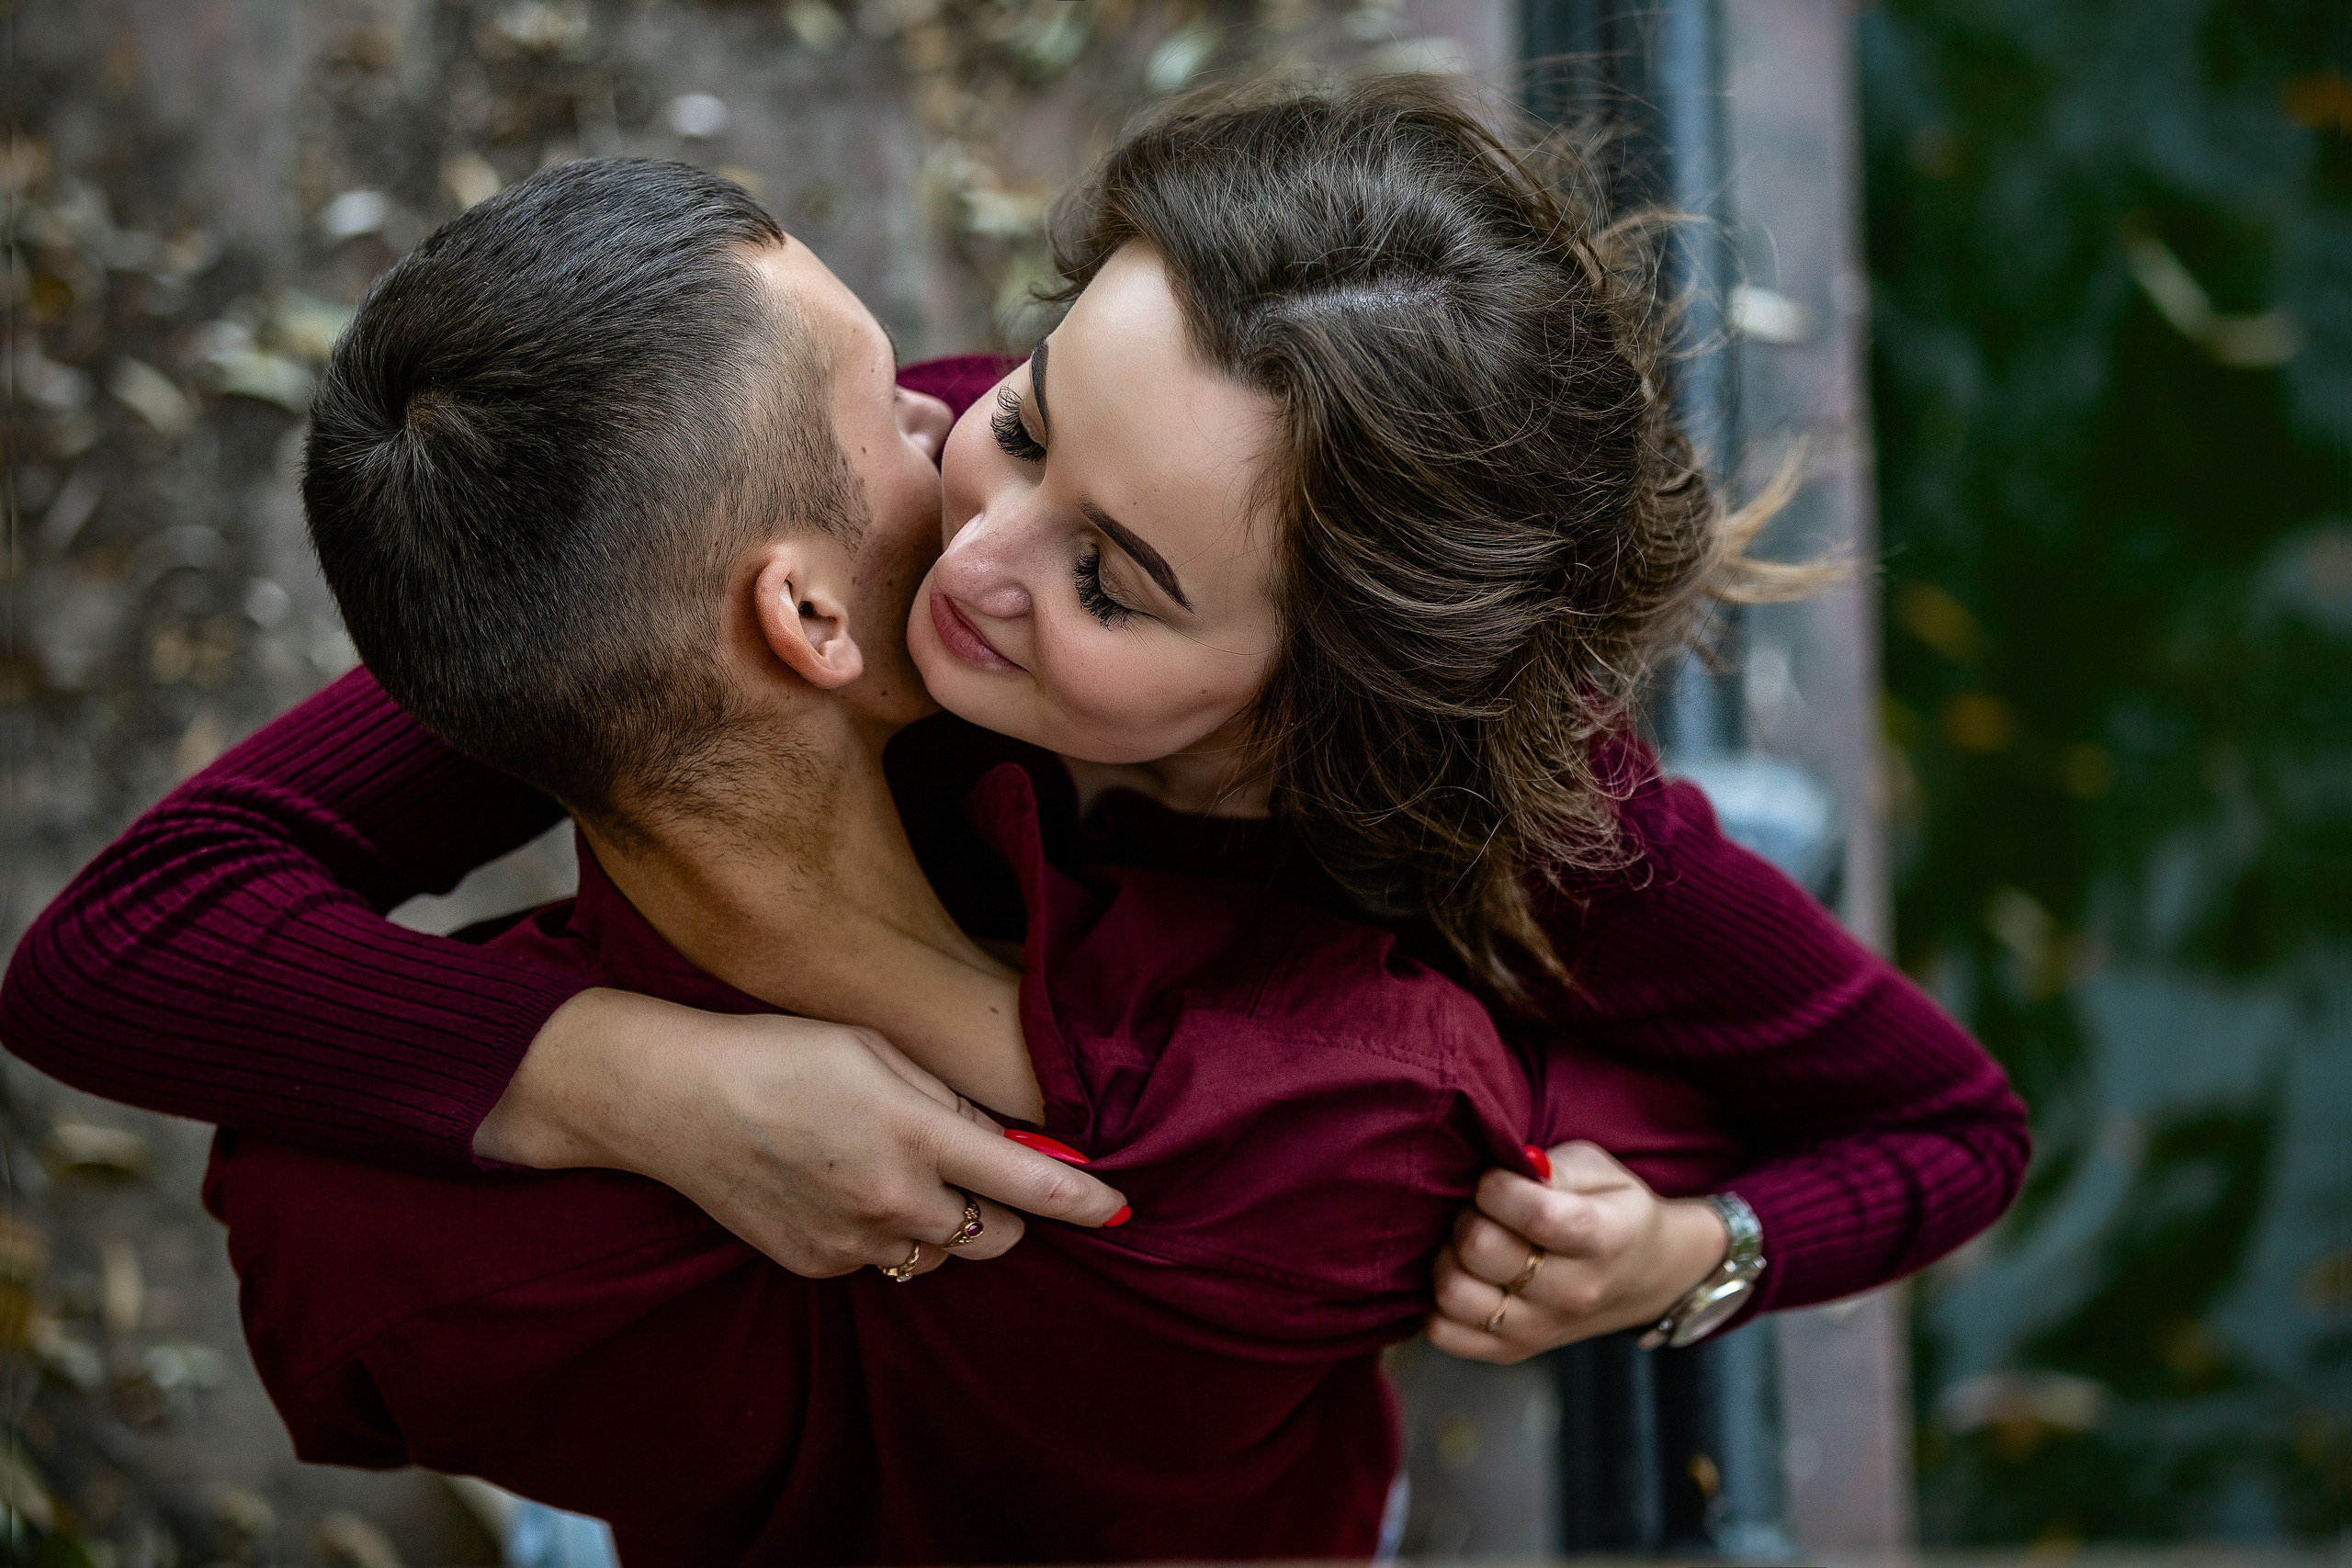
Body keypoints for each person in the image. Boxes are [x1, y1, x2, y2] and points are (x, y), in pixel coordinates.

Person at [2, 76, 2025, 1379]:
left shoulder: (1546, 827)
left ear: (1317, 681)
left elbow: (1951, 1129)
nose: (973, 544)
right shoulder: (870, 545)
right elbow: (121, 946)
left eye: (1115, 579)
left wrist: (1688, 1252)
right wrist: (629, 1078)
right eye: (1035, 409)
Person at [202, 141, 1752, 1564]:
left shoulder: (330, 1192)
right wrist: (1683, 1242)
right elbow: (1637, 1139)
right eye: (906, 415)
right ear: (806, 615)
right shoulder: (1342, 1109)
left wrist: (592, 1079)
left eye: (1005, 406)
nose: (949, 428)